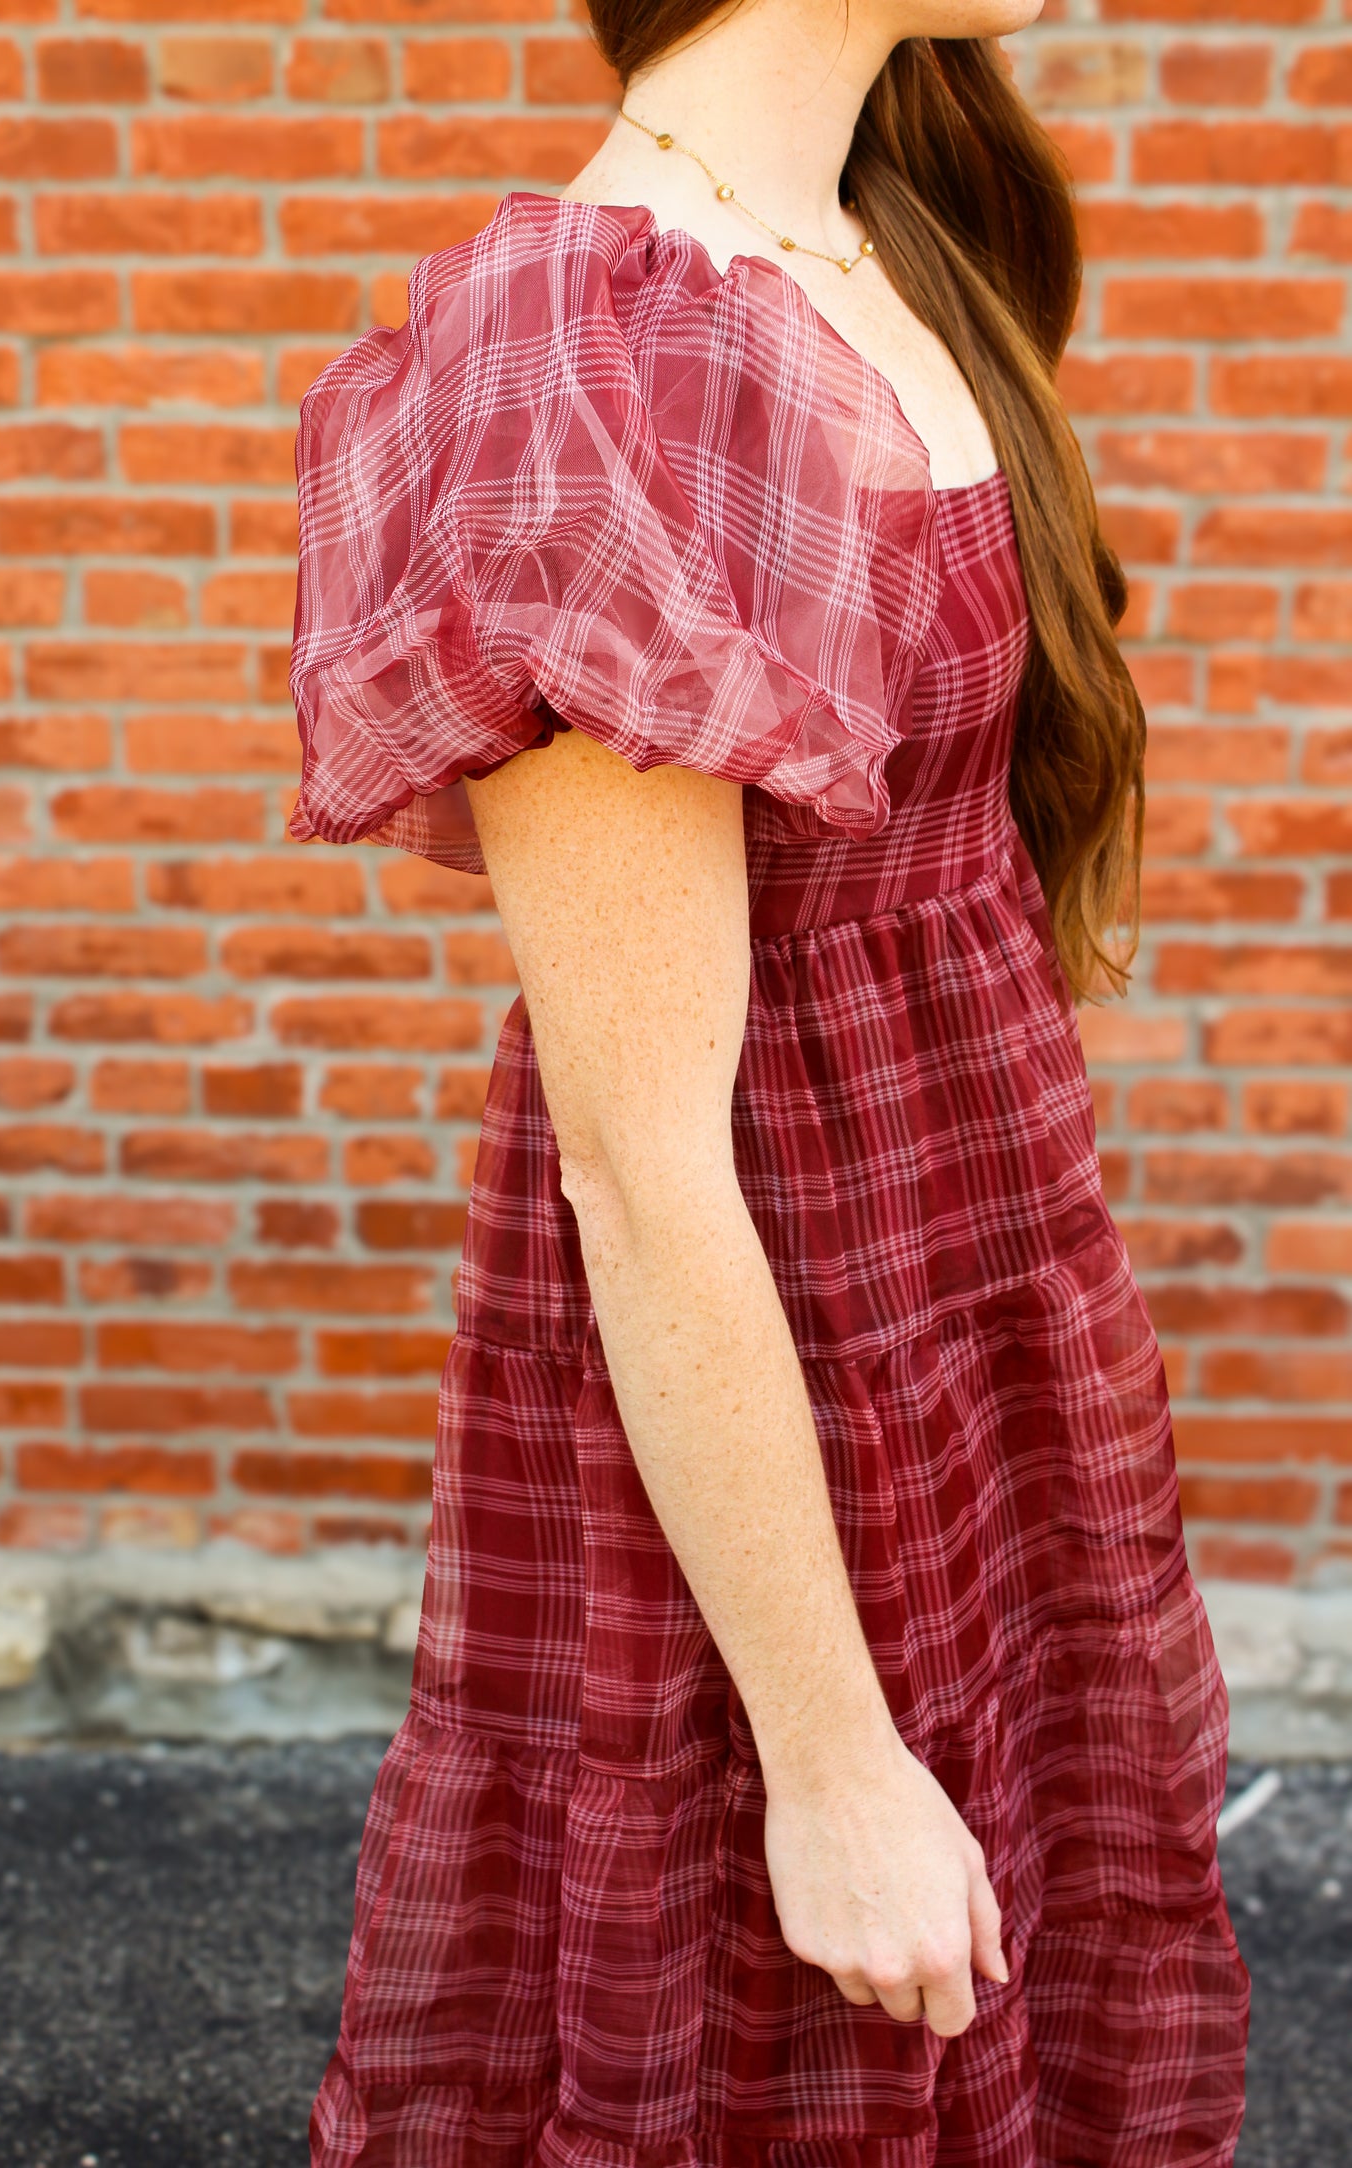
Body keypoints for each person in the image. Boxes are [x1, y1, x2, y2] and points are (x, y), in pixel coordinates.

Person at [288, 0, 1253, 2157]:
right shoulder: (592, 356)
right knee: (780, 1989)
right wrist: (827, 1756)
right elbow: (643, 1170)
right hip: (771, 1336)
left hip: (961, 1284)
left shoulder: (878, 231)